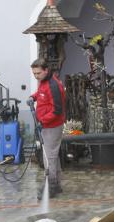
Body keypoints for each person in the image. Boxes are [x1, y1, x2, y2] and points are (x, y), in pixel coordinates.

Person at [27, 58, 65, 199]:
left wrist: (42, 121)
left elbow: (57, 110)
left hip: (52, 126)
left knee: (49, 157)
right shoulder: (44, 82)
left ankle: (51, 187)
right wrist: (33, 97)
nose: (36, 76)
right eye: (34, 74)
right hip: (45, 125)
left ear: (46, 70)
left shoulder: (54, 86)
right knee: (52, 155)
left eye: (38, 73)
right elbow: (41, 94)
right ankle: (57, 185)